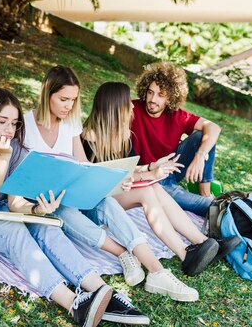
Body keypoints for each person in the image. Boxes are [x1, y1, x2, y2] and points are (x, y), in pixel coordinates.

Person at [0, 87, 131, 327]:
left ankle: (100, 289)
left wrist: (37, 211)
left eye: (13, 123)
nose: (8, 130)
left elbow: (15, 204)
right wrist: (3, 158)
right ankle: (75, 305)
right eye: (1, 121)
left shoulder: (14, 147)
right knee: (12, 232)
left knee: (45, 226)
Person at [24, 65, 200, 304]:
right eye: (64, 99)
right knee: (63, 208)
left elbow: (84, 165)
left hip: (77, 193)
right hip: (47, 202)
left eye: (73, 100)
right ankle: (123, 253)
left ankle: (158, 272)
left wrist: (119, 176)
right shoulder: (25, 125)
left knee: (106, 201)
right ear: (47, 94)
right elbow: (21, 175)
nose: (69, 106)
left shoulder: (71, 124)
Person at [81, 82, 241, 276]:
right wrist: (141, 175)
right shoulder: (89, 137)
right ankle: (185, 255)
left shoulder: (125, 134)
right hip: (98, 201)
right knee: (149, 190)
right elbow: (90, 179)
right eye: (127, 103)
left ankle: (201, 242)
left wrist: (152, 168)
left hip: (118, 190)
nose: (132, 106)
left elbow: (130, 169)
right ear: (114, 106)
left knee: (154, 187)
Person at [131, 62, 221, 217]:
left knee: (203, 137)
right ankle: (206, 201)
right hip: (151, 177)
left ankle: (204, 190)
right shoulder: (131, 109)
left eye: (160, 95)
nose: (152, 99)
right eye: (150, 92)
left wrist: (199, 156)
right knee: (211, 207)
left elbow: (213, 127)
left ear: (170, 98)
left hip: (173, 167)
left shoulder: (177, 115)